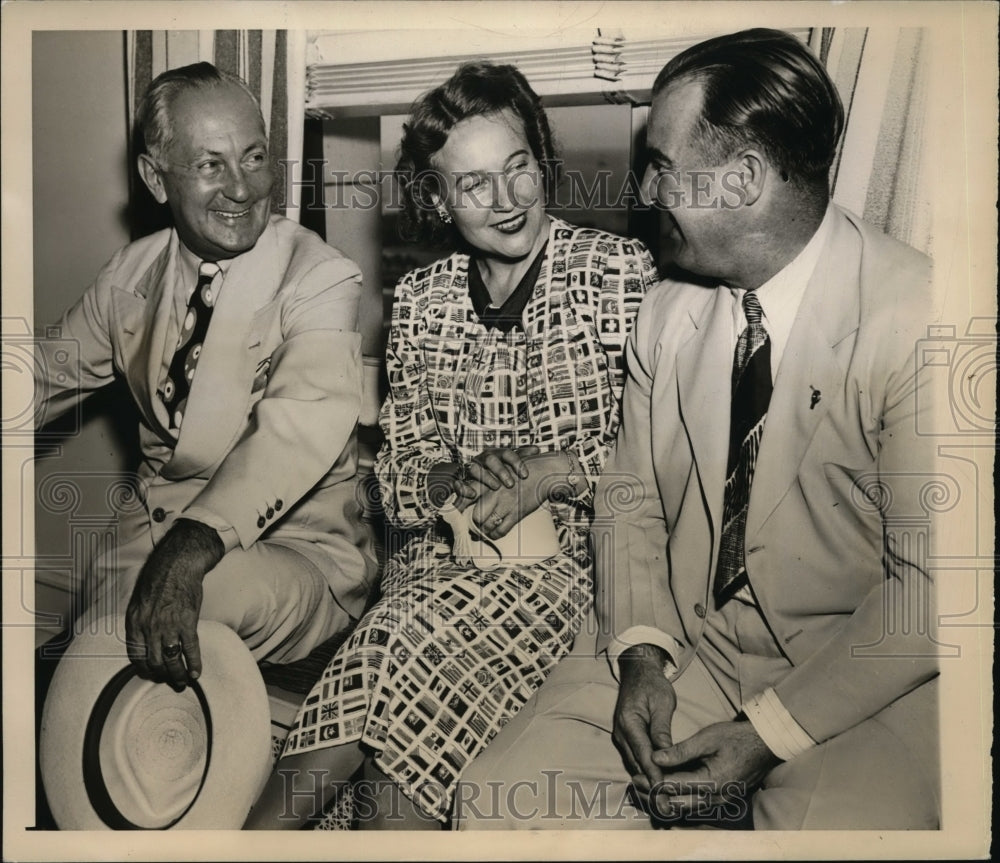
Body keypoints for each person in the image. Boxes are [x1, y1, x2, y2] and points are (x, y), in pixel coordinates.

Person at [456, 29, 940, 830]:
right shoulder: (666, 312)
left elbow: (932, 593)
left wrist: (767, 734)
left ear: (743, 178)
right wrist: (642, 654)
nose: (645, 192)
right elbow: (630, 498)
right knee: (497, 809)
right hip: (689, 649)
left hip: (858, 681)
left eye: (664, 167)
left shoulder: (921, 317)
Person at [244, 60, 659, 829]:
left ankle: (248, 842)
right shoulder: (422, 300)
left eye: (517, 169)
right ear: (437, 199)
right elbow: (394, 484)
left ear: (542, 158)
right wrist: (454, 477)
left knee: (398, 648)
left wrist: (551, 471)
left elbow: (660, 475)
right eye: (472, 185)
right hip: (443, 566)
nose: (506, 203)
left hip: (572, 579)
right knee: (400, 655)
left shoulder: (618, 274)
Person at [35, 62, 377, 690]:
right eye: (209, 165)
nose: (241, 190)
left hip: (294, 552)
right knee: (73, 677)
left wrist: (183, 555)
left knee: (125, 649)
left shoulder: (320, 276)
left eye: (252, 158)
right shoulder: (128, 276)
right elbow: (36, 379)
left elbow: (293, 432)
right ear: (154, 178)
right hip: (152, 540)